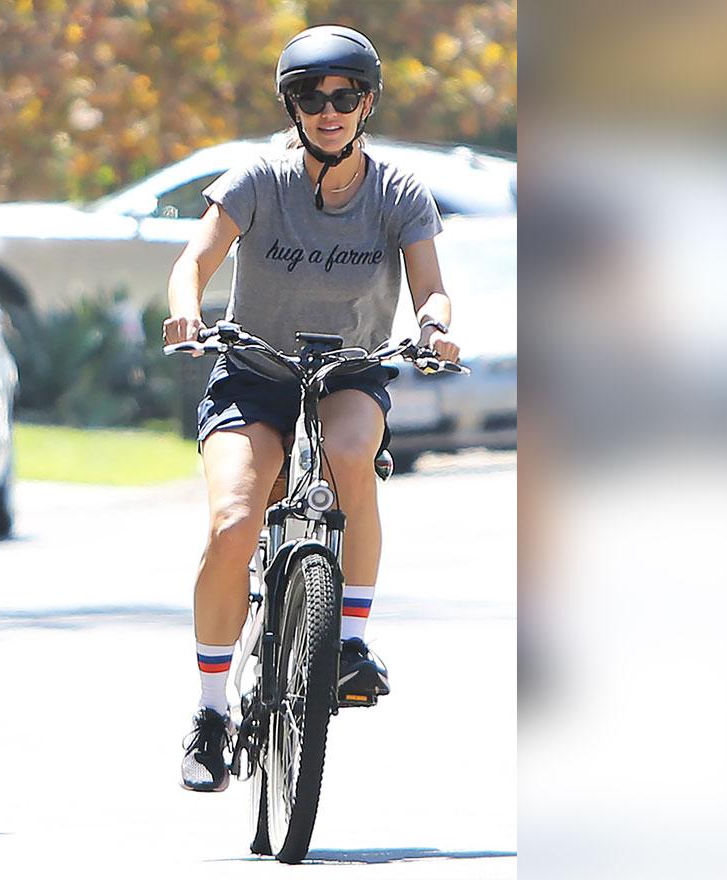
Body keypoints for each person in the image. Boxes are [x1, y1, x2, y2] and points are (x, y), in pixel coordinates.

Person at [163, 25, 462, 792]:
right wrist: (185, 310)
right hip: (254, 372)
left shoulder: (398, 193)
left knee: (351, 454)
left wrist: (433, 325)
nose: (327, 111)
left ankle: (351, 645)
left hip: (349, 370)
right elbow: (195, 258)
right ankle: (208, 711)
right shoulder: (259, 179)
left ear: (366, 104)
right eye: (309, 97)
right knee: (234, 521)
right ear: (292, 108)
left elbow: (430, 284)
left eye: (344, 96)